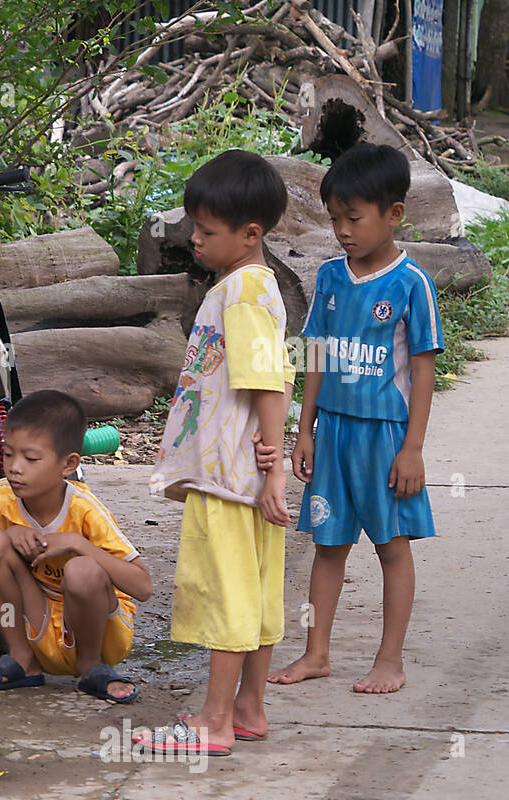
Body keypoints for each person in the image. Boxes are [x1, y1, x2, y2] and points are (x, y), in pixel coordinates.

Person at [269, 142, 441, 695]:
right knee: (327, 547)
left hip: (386, 437)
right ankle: (315, 653)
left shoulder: (412, 284)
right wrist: (304, 430)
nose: (343, 230)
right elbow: (312, 352)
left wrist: (412, 449)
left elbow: (422, 372)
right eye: (335, 218)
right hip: (334, 434)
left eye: (355, 218)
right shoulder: (330, 278)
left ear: (394, 214)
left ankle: (390, 660)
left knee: (392, 549)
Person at [140, 149, 295, 757]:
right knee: (254, 589)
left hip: (228, 471)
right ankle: (248, 708)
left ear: (250, 234)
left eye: (207, 231)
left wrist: (273, 461)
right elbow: (275, 373)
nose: (194, 240)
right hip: (243, 469)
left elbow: (266, 377)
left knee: (226, 590)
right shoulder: (250, 285)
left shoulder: (244, 292)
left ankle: (213, 723)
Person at [0, 390, 152, 702]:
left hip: (100, 631)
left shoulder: (85, 509)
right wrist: (10, 534)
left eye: (31, 458)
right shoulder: (0, 497)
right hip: (36, 619)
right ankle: (22, 658)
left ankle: (91, 668)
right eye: (8, 454)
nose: (15, 467)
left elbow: (143, 587)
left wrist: (78, 544)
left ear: (68, 464)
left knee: (82, 569)